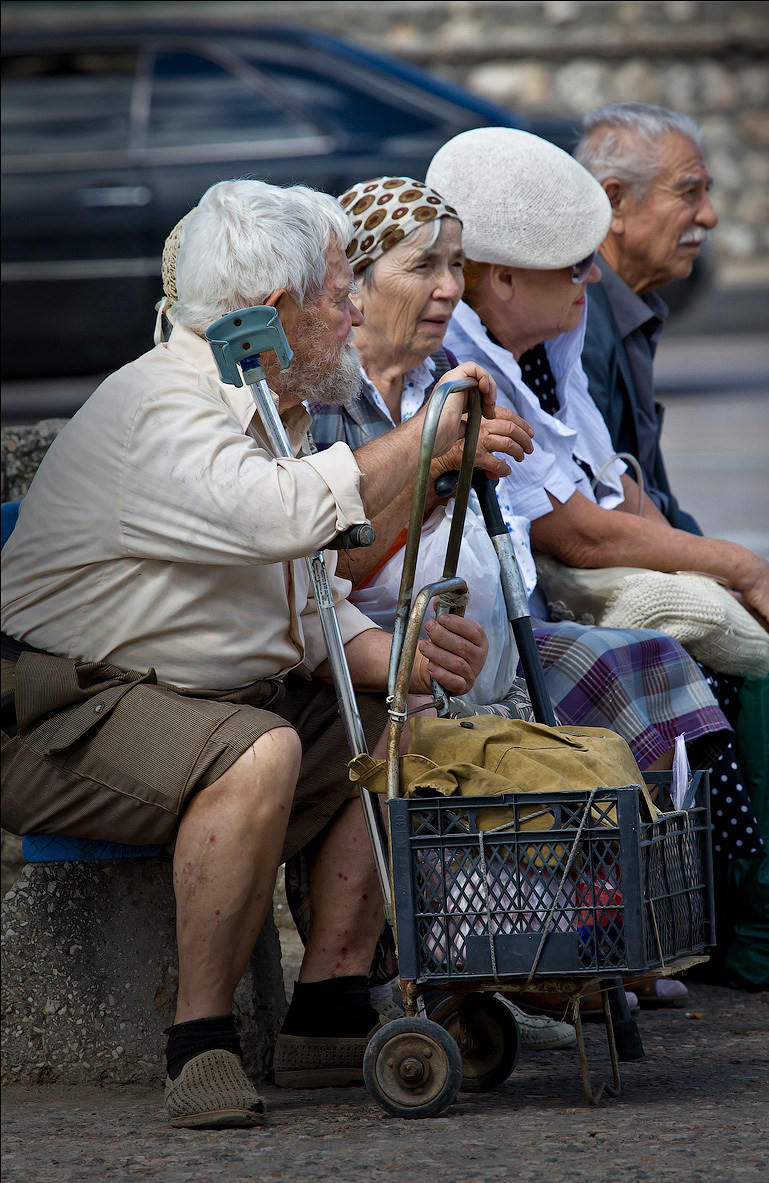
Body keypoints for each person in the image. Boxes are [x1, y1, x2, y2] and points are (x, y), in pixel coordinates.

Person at [0, 179, 492, 1129]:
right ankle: (202, 1046)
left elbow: (305, 604)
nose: (356, 309)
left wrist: (398, 656)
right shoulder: (165, 408)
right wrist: (424, 441)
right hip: (59, 715)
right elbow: (282, 517)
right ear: (272, 316)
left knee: (398, 711)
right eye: (340, 289)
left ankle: (330, 1005)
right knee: (258, 747)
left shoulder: (268, 403)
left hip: (188, 701)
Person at [309, 174, 746, 1014]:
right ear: (357, 287)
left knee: (646, 666)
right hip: (394, 654)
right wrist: (440, 471)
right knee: (461, 737)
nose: (447, 287)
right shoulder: (335, 404)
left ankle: (613, 938)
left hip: (494, 641)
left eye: (453, 265)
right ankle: (504, 965)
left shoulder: (447, 370)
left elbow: (513, 521)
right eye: (421, 267)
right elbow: (337, 573)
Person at [426, 127, 769, 1004]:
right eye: (569, 265)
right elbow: (579, 535)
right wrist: (738, 563)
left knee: (692, 644)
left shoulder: (549, 343)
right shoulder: (466, 367)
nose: (590, 277)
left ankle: (661, 922)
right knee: (680, 644)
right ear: (504, 279)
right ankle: (629, 930)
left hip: (518, 601)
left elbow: (608, 487)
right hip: (489, 616)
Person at [574, 101, 717, 533]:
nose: (709, 215)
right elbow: (599, 511)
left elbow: (651, 496)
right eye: (688, 193)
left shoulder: (624, 308)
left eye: (707, 192)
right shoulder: (574, 321)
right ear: (614, 203)